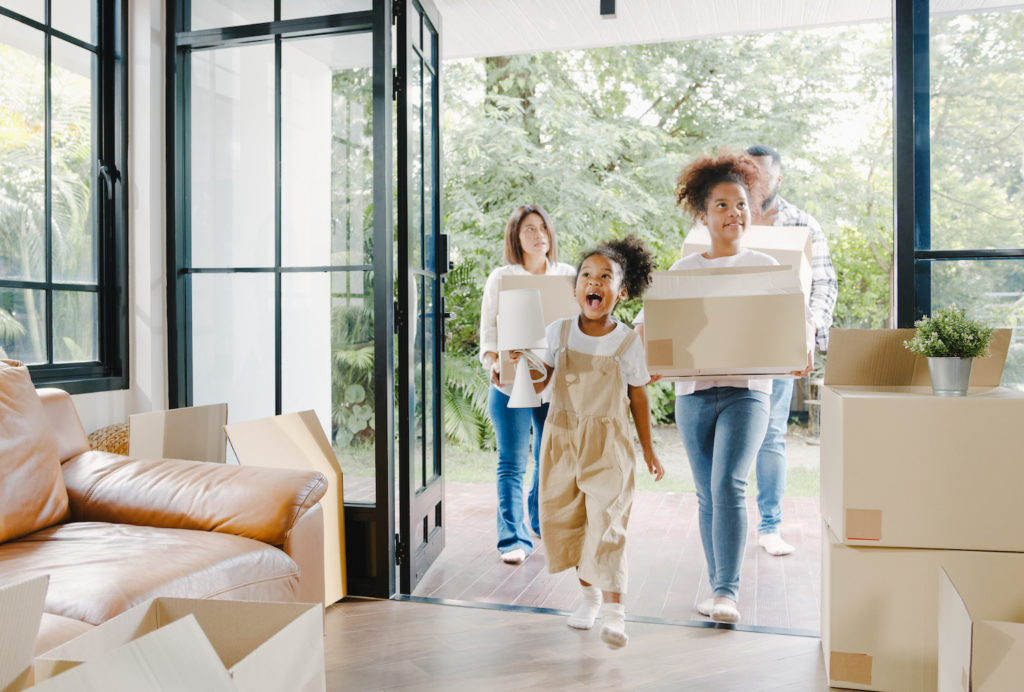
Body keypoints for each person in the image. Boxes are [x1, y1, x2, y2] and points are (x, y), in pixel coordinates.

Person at [635, 152, 813, 624]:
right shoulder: (687, 268)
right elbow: (652, 318)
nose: (734, 214)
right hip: (694, 393)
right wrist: (643, 344)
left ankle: (726, 592)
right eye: (722, 206)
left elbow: (798, 316)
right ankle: (719, 591)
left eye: (741, 205)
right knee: (706, 494)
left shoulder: (766, 266)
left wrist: (805, 346)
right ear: (703, 214)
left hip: (748, 390)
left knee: (729, 483)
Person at [527, 234, 664, 650]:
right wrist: (523, 359)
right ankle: (588, 597)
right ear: (576, 290)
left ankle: (616, 613)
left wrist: (648, 448)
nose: (595, 281)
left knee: (608, 525)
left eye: (606, 276)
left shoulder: (627, 342)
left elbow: (638, 395)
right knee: (567, 524)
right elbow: (539, 382)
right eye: (587, 274)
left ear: (620, 292)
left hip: (609, 447)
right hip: (562, 442)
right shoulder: (557, 332)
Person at [745, 144, 839, 557]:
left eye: (763, 176)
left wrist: (810, 329)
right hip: (728, 345)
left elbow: (824, 284)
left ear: (777, 179)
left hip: (779, 344)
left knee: (771, 435)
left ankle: (770, 525)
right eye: (748, 175)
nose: (755, 183)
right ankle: (723, 522)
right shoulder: (723, 217)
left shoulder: (802, 223)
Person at [479, 205, 576, 565]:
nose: (539, 236)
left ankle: (538, 521)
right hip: (510, 385)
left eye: (543, 229)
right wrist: (493, 363)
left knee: (549, 462)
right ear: (516, 238)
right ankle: (512, 538)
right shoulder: (502, 277)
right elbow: (488, 332)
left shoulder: (567, 275)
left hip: (552, 385)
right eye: (529, 230)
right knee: (511, 463)